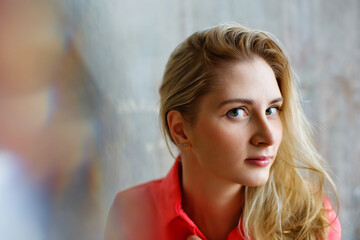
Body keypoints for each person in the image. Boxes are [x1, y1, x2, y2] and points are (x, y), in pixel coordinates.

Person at [105, 23, 341, 240]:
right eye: (237, 112)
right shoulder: (130, 213)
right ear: (180, 130)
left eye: (272, 109)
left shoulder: (312, 218)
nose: (268, 137)